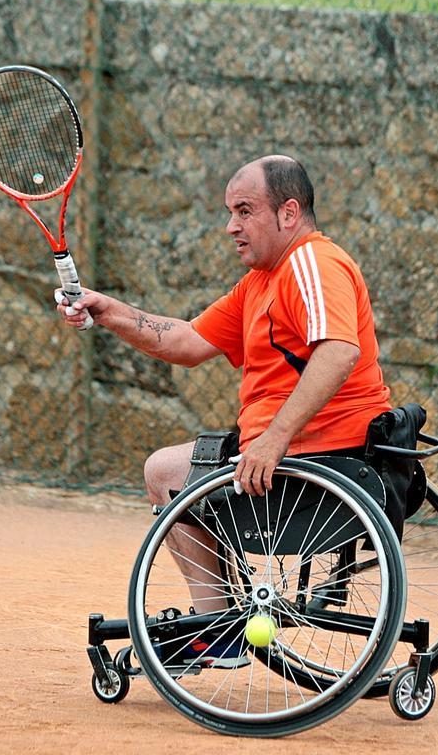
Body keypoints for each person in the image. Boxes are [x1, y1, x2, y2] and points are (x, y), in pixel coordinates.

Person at [56, 155, 393, 667]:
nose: (230, 226)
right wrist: (110, 312)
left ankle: (217, 629)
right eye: (229, 211)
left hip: (316, 462)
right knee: (170, 469)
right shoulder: (263, 279)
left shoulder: (312, 264)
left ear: (288, 213)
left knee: (167, 472)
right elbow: (188, 341)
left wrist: (273, 439)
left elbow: (339, 350)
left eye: (244, 210)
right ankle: (219, 628)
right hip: (292, 457)